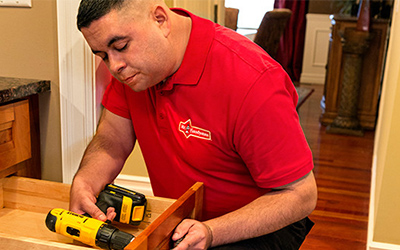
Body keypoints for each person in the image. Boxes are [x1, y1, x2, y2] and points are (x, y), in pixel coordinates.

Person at [70, 0, 318, 249]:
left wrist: (211, 231)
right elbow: (111, 141)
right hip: (185, 220)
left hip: (257, 224)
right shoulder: (135, 74)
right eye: (103, 56)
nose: (114, 66)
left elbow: (301, 195)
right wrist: (85, 182)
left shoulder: (252, 79)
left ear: (160, 19)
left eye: (121, 46)